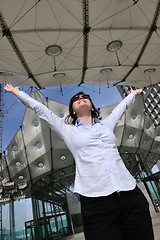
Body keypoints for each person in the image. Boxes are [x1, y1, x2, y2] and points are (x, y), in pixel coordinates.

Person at [4, 84, 154, 240]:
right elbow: (41, 110)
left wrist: (132, 95)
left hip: (130, 194)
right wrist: (17, 92)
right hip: (96, 202)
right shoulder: (68, 131)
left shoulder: (107, 125)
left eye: (84, 96)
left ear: (92, 106)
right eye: (76, 99)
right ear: (73, 111)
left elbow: (121, 108)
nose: (81, 98)